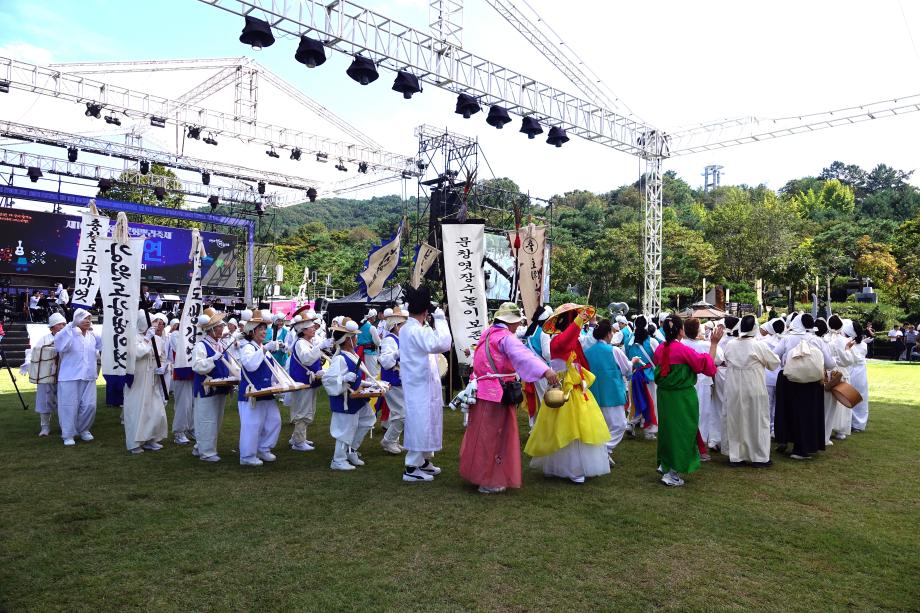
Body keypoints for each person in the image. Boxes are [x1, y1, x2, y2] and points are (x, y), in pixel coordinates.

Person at [460, 302, 559, 494]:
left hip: (482, 390)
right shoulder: (506, 338)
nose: (517, 326)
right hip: (498, 393)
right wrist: (545, 370)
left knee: (481, 434)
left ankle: (478, 473)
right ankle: (489, 479)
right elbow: (523, 356)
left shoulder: (486, 334)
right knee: (496, 435)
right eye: (516, 322)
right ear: (511, 322)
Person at [524, 303, 611, 484]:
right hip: (564, 390)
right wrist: (580, 319)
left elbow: (581, 344)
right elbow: (568, 340)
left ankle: (566, 466)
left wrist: (584, 321)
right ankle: (573, 468)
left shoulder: (572, 341)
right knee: (568, 428)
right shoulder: (557, 341)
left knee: (570, 427)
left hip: (574, 389)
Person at [653, 315, 723, 487]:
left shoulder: (661, 348)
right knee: (683, 432)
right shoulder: (682, 350)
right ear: (680, 331)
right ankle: (672, 472)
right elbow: (707, 366)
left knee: (668, 430)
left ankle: (666, 463)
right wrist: (714, 344)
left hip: (664, 396)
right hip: (682, 397)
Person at [400, 286, 453, 482]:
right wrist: (440, 319)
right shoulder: (414, 330)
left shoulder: (412, 328)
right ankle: (412, 467)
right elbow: (443, 344)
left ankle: (423, 461)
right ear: (425, 312)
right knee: (420, 422)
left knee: (428, 420)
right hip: (418, 384)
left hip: (422, 383)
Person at [773, 313, 836, 460]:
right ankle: (802, 447)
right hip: (811, 381)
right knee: (807, 414)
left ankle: (784, 439)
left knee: (787, 411)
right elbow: (830, 363)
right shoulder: (817, 340)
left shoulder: (787, 338)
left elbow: (774, 354)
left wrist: (786, 360)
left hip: (788, 379)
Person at [721, 315, 781, 467]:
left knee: (736, 419)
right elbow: (774, 363)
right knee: (757, 419)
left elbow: (725, 359)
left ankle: (736, 456)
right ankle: (759, 456)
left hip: (734, 386)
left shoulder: (731, 344)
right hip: (753, 386)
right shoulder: (759, 345)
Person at [322, 318, 376, 471]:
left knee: (368, 419)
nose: (356, 339)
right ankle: (338, 460)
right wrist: (343, 379)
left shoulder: (353, 355)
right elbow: (328, 380)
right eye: (354, 336)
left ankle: (351, 450)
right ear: (347, 340)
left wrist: (369, 384)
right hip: (345, 400)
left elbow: (358, 377)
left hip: (357, 399)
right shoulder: (340, 358)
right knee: (345, 429)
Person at [583, 319, 640, 462]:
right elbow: (626, 368)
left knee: (600, 424)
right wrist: (633, 362)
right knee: (619, 424)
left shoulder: (587, 351)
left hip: (593, 393)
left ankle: (600, 451)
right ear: (608, 334)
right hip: (612, 393)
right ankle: (604, 449)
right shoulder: (613, 350)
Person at [237, 309, 283, 467]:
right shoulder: (247, 347)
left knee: (274, 421)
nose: (264, 331)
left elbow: (271, 369)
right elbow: (250, 366)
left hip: (266, 391)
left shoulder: (261, 347)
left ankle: (263, 448)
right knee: (252, 425)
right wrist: (264, 349)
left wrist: (279, 383)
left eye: (265, 328)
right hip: (251, 393)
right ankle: (247, 456)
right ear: (252, 331)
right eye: (261, 329)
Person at [123, 311, 170, 454]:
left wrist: (161, 368)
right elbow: (136, 353)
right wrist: (146, 339)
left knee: (156, 410)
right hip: (137, 379)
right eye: (153, 322)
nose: (155, 325)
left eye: (156, 322)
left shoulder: (158, 339)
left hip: (152, 379)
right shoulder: (132, 337)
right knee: (137, 410)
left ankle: (151, 438)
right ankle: (134, 442)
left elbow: (161, 357)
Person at [53, 308, 102, 446]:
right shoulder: (69, 333)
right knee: (69, 406)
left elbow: (105, 344)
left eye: (89, 318)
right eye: (84, 318)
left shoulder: (93, 336)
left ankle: (83, 429)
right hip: (70, 376)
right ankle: (68, 434)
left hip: (89, 376)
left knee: (89, 406)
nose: (87, 321)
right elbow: (60, 345)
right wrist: (70, 326)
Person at [191, 308, 233, 462]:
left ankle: (200, 447)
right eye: (220, 326)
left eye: (222, 326)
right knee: (206, 419)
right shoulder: (200, 346)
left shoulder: (220, 344)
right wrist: (212, 360)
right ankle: (206, 452)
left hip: (220, 387)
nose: (223, 329)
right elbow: (196, 366)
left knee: (216, 420)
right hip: (206, 388)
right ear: (211, 330)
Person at [288, 311, 329, 452]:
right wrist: (321, 347)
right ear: (303, 330)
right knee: (303, 410)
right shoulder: (300, 343)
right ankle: (298, 442)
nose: (314, 329)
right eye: (311, 327)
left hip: (308, 381)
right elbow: (306, 358)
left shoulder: (306, 342)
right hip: (303, 381)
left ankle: (298, 437)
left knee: (308, 409)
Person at [20, 313, 67, 436]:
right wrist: (27, 363)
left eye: (64, 324)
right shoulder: (44, 339)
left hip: (64, 375)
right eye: (59, 324)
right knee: (44, 400)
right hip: (45, 376)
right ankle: (45, 427)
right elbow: (34, 352)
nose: (62, 326)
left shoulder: (68, 338)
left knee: (64, 401)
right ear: (52, 327)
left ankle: (65, 426)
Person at [682, 318, 722, 452]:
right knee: (703, 413)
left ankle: (689, 441)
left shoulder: (681, 344)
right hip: (702, 381)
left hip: (687, 382)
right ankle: (700, 443)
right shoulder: (705, 345)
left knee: (687, 412)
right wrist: (714, 344)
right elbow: (717, 359)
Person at [378, 306, 409, 455]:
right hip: (392, 381)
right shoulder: (389, 340)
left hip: (399, 381)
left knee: (399, 413)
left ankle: (393, 440)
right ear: (396, 325)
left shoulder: (398, 339)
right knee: (402, 414)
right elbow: (385, 362)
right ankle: (389, 441)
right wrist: (398, 354)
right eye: (403, 325)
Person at [624, 315, 658, 440]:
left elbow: (626, 357)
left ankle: (630, 423)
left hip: (635, 374)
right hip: (649, 375)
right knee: (651, 402)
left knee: (635, 401)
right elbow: (657, 356)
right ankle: (650, 431)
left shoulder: (629, 341)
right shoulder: (652, 341)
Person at [824, 315, 856, 442]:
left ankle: (828, 428)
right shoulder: (844, 341)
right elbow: (848, 360)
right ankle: (840, 430)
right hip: (840, 373)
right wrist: (848, 350)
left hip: (828, 372)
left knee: (829, 403)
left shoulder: (824, 339)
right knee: (842, 401)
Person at [168, 319, 195, 445]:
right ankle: (179, 432)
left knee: (193, 404)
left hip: (194, 373)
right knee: (183, 405)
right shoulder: (176, 335)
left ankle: (190, 428)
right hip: (182, 372)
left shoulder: (195, 333)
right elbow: (180, 349)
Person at [759, 318, 785, 436]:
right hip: (780, 375)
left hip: (767, 375)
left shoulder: (762, 342)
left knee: (767, 403)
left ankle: (767, 427)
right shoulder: (785, 340)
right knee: (777, 404)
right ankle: (775, 428)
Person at [844, 320, 871, 432]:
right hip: (861, 372)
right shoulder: (863, 344)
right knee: (861, 397)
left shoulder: (848, 344)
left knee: (850, 396)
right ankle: (859, 424)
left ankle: (851, 422)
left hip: (852, 370)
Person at [356, 308, 382, 378]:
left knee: (363, 372)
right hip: (371, 353)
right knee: (373, 374)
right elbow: (377, 342)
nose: (375, 318)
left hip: (360, 352)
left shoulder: (359, 326)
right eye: (374, 317)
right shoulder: (372, 328)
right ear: (371, 317)